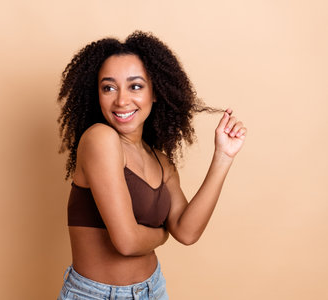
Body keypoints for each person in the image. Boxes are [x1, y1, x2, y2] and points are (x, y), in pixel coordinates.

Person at [56, 31, 247, 300]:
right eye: (108, 87)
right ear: (96, 94)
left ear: (155, 92)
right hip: (96, 295)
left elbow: (186, 230)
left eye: (135, 86)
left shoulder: (160, 161)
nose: (121, 100)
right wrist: (161, 234)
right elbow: (126, 242)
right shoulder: (99, 139)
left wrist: (223, 157)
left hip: (153, 290)